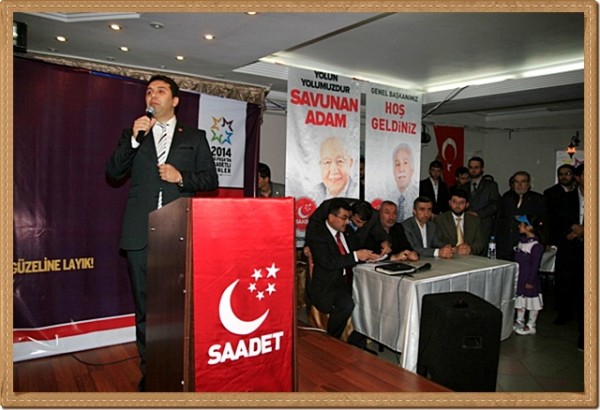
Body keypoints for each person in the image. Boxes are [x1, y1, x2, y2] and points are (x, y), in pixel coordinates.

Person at [105, 74, 218, 391]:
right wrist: (134, 140)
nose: (152, 96)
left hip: (177, 233)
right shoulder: (134, 133)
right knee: (146, 310)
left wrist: (180, 177)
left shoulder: (194, 137)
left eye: (161, 90)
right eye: (149, 91)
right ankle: (152, 373)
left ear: (175, 100)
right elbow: (113, 172)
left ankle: (179, 369)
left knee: (176, 309)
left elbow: (210, 179)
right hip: (140, 234)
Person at [304, 198, 380, 348]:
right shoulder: (318, 235)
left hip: (350, 280)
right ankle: (332, 340)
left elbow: (359, 248)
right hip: (329, 286)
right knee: (346, 304)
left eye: (348, 218)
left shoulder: (347, 232)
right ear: (331, 217)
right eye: (344, 218)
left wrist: (374, 255)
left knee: (371, 298)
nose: (347, 222)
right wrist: (356, 256)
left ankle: (357, 340)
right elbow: (328, 262)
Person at [553, 164, 584, 349]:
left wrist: (586, 229)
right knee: (566, 280)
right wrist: (573, 229)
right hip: (570, 244)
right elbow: (558, 219)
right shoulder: (566, 198)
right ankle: (565, 312)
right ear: (578, 178)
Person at [495, 171, 547, 261]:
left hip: (526, 244)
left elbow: (544, 223)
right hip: (505, 244)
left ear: (528, 184)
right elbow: (498, 220)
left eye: (523, 181)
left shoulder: (538, 199)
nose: (519, 185)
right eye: (516, 182)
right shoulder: (506, 197)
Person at [513, 214, 545, 336]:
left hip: (529, 278)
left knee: (532, 302)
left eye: (521, 224)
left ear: (529, 227)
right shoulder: (522, 242)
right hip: (520, 277)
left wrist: (530, 281)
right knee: (521, 300)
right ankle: (519, 321)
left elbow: (535, 266)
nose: (519, 226)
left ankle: (531, 325)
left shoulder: (536, 246)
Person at [459, 156, 500, 251]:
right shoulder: (463, 187)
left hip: (484, 225)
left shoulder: (491, 186)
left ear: (482, 169)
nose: (473, 170)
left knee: (482, 250)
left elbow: (494, 205)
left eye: (476, 167)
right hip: (467, 225)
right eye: (471, 167)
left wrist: (478, 214)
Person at [434, 188, 486, 256]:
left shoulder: (475, 220)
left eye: (461, 202)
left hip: (469, 257)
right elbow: (436, 242)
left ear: (467, 205)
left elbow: (480, 243)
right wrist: (454, 249)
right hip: (448, 257)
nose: (457, 205)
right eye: (454, 202)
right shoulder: (440, 219)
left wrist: (470, 249)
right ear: (449, 203)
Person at [312, 136, 357, 203]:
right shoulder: (313, 193)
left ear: (350, 163)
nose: (334, 170)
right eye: (327, 162)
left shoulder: (358, 191)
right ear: (320, 165)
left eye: (340, 161)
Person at [543, 164, 577, 246]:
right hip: (559, 235)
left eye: (567, 174)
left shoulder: (579, 191)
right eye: (561, 174)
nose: (563, 177)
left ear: (574, 175)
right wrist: (571, 226)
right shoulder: (550, 193)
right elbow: (552, 215)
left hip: (579, 235)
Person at [392, 143, 419, 223]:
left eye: (405, 163)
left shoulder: (417, 194)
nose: (401, 169)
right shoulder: (388, 196)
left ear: (412, 169)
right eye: (397, 164)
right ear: (393, 170)